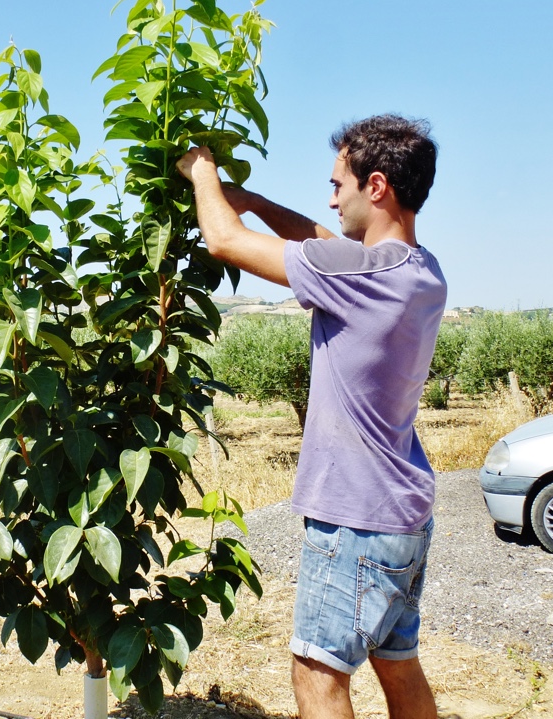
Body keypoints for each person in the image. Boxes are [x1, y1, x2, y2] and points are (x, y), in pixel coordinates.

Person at [177, 114, 446, 719]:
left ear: (375, 186)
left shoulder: (362, 273)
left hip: (355, 515)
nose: (331, 196)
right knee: (397, 662)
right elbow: (323, 239)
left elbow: (224, 241)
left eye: (339, 183)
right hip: (402, 511)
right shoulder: (420, 270)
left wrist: (203, 175)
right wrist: (253, 200)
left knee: (317, 676)